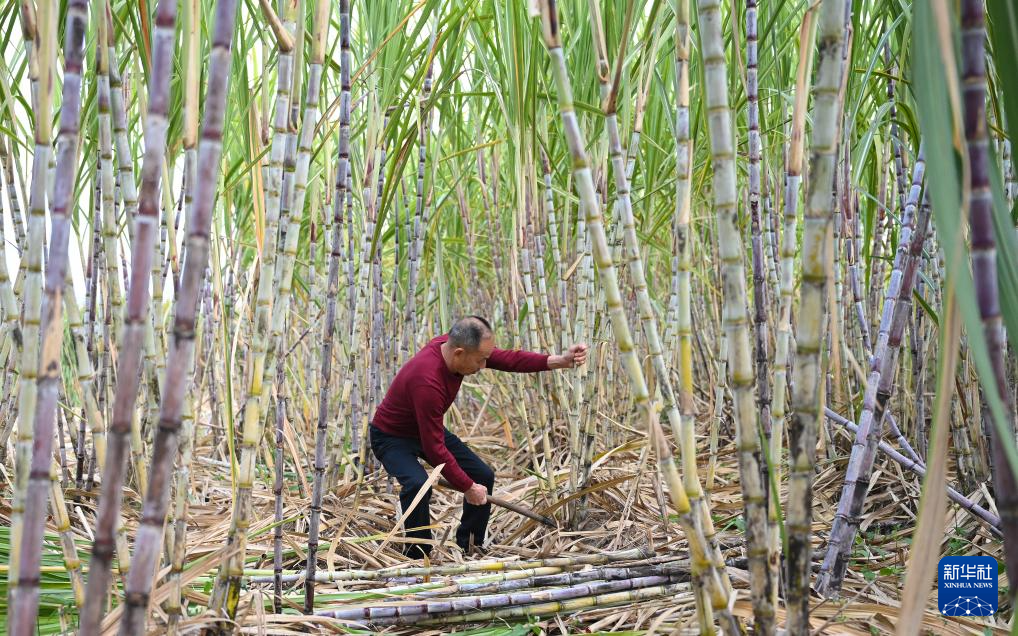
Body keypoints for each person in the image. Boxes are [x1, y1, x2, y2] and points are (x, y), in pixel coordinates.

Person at [369, 315, 587, 558]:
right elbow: (434, 449)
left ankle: (470, 547)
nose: (484, 366)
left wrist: (560, 361)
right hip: (391, 436)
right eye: (481, 360)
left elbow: (508, 359)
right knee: (418, 484)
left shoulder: (453, 347)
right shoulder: (427, 382)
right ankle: (418, 556)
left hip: (423, 429)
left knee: (482, 475)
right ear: (459, 353)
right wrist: (467, 487)